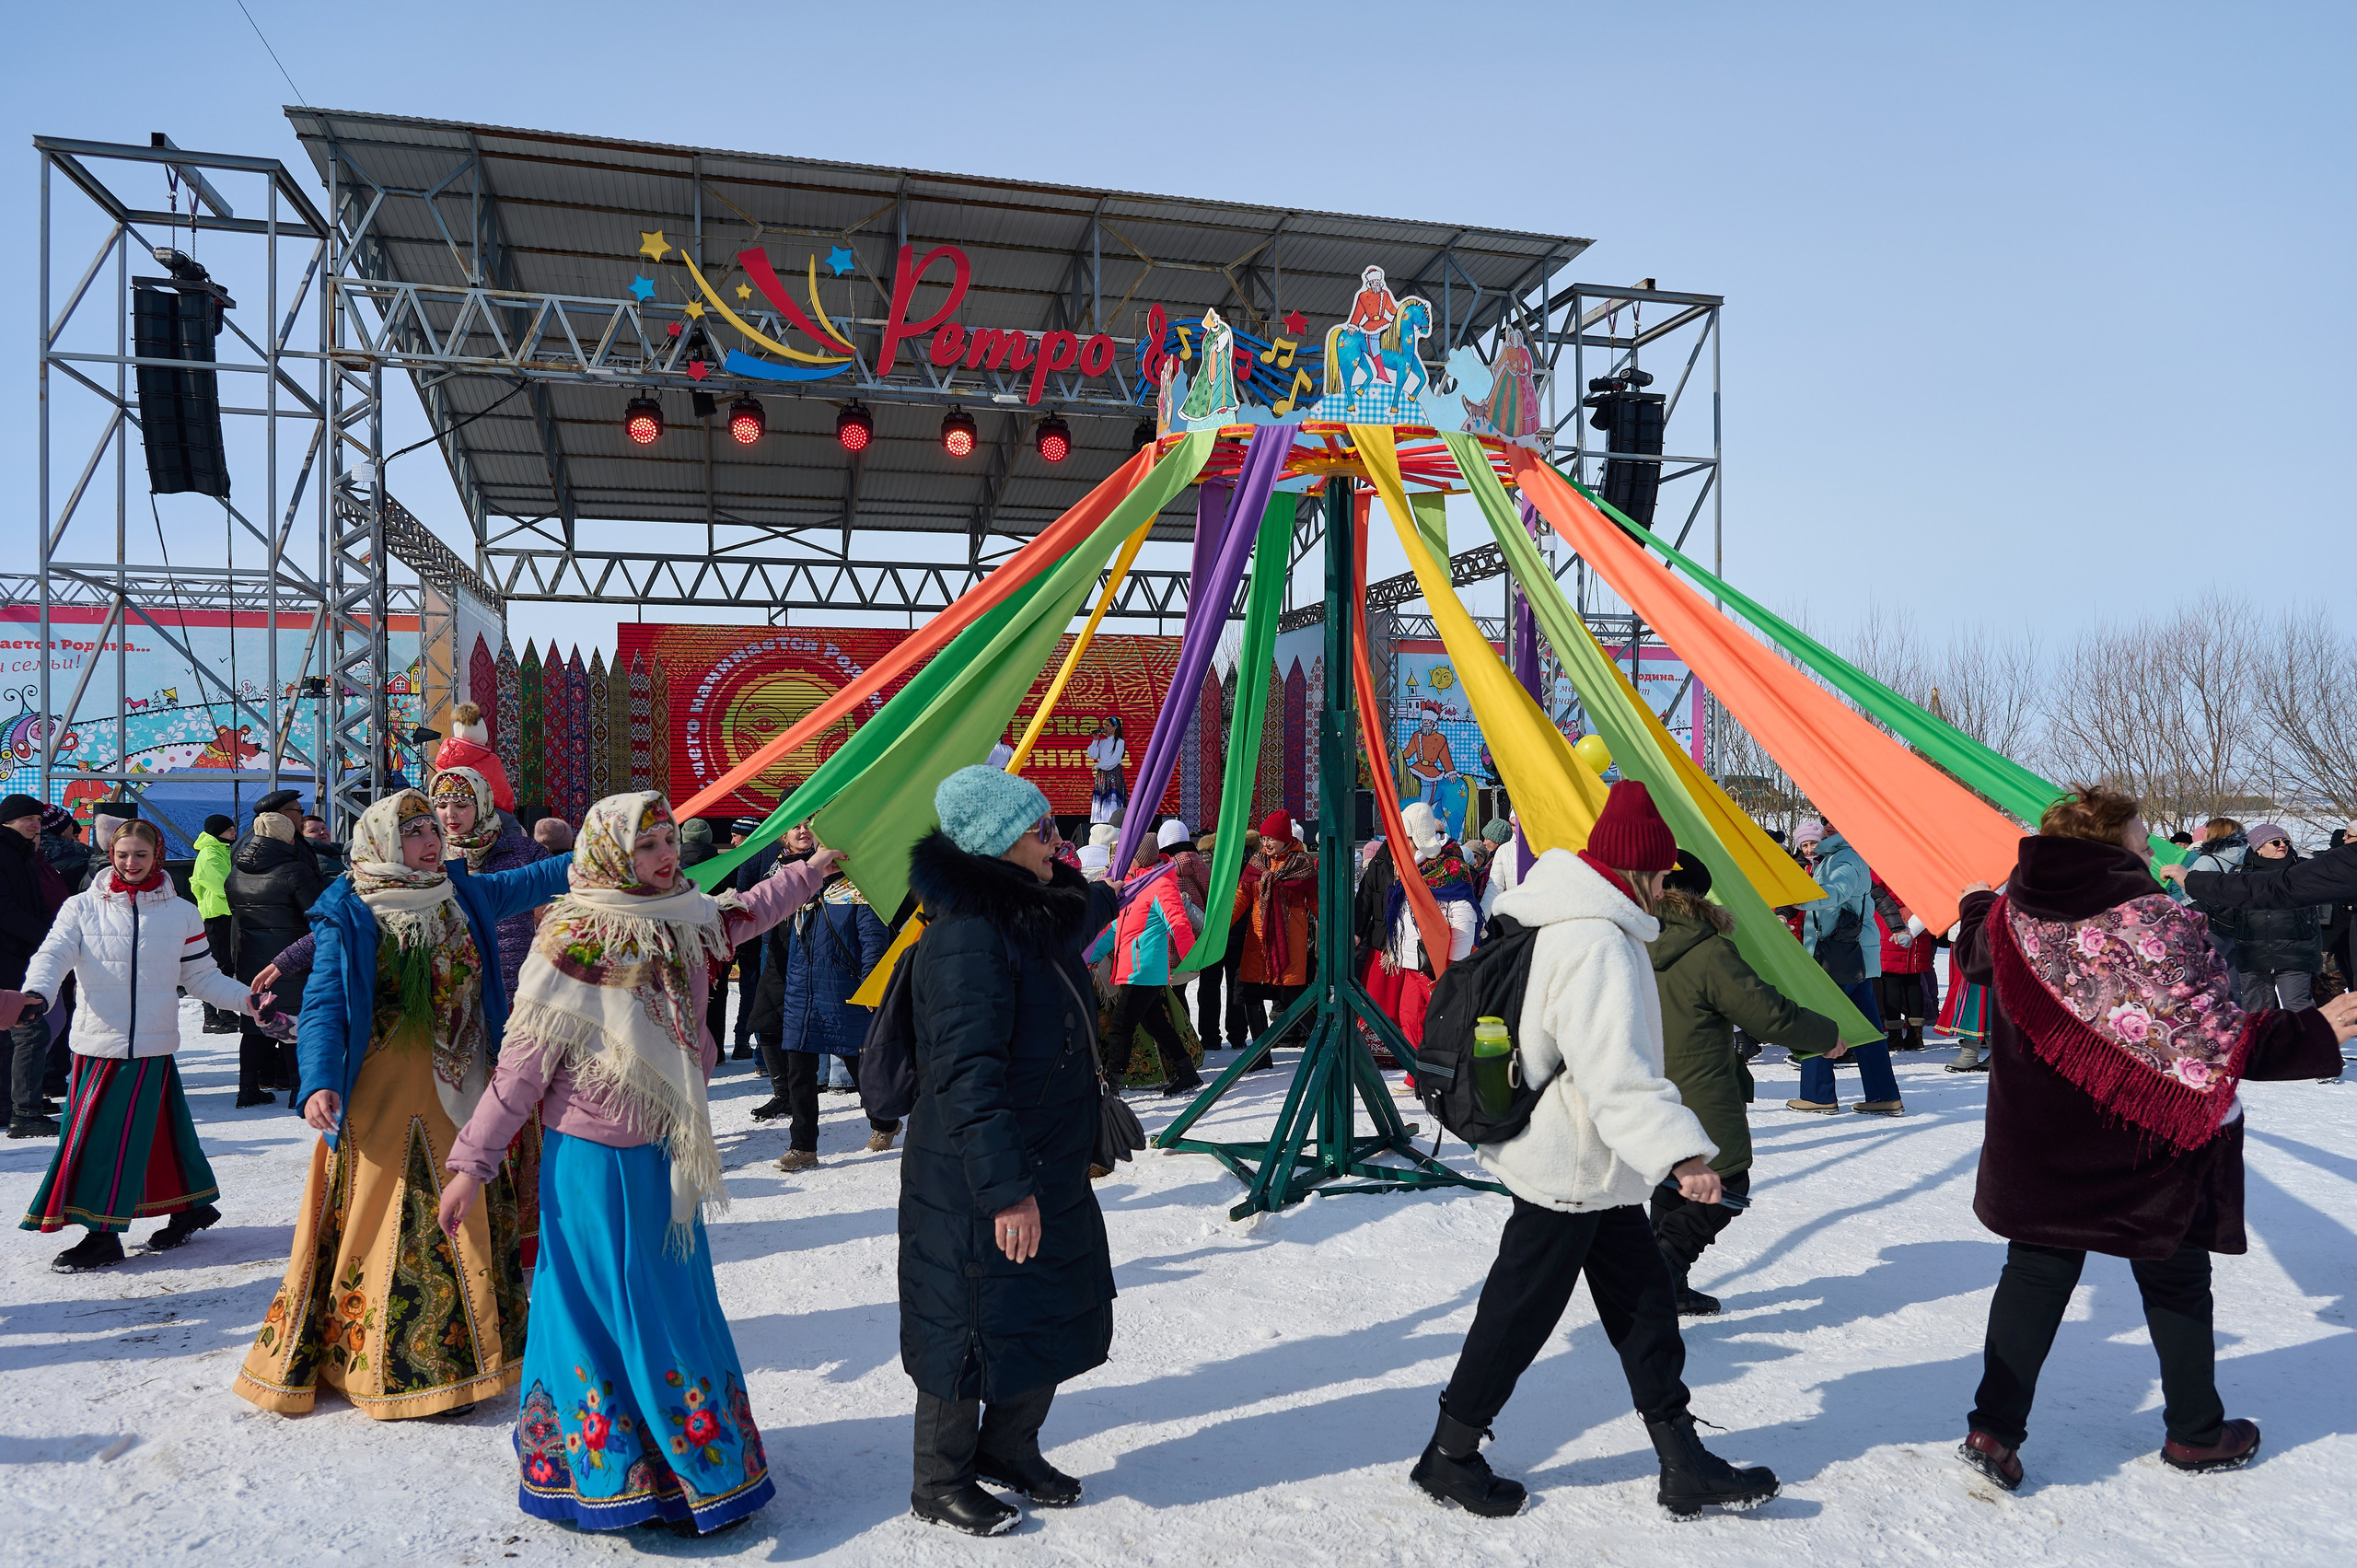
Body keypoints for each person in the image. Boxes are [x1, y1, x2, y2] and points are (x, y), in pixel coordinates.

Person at [438, 791, 839, 1536]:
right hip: (590, 1161)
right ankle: (608, 1468)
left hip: (664, 1154)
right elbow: (520, 1069)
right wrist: (472, 1163)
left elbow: (747, 910)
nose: (664, 857)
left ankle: (688, 1467)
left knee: (671, 1307)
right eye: (647, 844)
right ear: (611, 853)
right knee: (596, 1314)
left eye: (667, 841)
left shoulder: (685, 915)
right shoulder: (573, 941)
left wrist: (811, 871)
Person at [1950, 785, 2357, 1491]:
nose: (2150, 845)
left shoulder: (2014, 914)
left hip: (2041, 1144)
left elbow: (1976, 954)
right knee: (2174, 1277)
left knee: (2035, 1273)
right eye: (2141, 834)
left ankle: (1994, 1429)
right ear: (2113, 842)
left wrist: (1973, 905)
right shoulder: (2152, 921)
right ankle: (2196, 1432)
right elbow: (2208, 1037)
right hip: (2146, 1139)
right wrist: (2313, 1032)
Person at [1411, 782, 1780, 1520]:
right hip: (1571, 1163)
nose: (1664, 885)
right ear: (1642, 871)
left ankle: (1681, 1458)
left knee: (1644, 1304)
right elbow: (1616, 1074)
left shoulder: (1579, 918)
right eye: (1660, 873)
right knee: (1519, 1310)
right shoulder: (1598, 940)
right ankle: (1448, 1454)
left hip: (1595, 1166)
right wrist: (1684, 1158)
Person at [232, 790, 569, 1420]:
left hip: (465, 1081)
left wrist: (614, 846)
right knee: (392, 1217)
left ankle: (474, 1354)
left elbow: (544, 875)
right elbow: (328, 1005)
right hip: (383, 1093)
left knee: (466, 1203)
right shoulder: (354, 910)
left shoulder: (463, 893)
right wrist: (318, 1082)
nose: (431, 839)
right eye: (414, 831)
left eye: (431, 829)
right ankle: (393, 1363)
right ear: (384, 841)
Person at [898, 765, 1115, 1535]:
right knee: (965, 1323)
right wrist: (1004, 1192)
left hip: (1046, 1163)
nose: (1059, 842)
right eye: (1043, 832)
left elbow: (1088, 910)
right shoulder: (966, 939)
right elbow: (966, 1079)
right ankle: (940, 1477)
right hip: (974, 1177)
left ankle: (1010, 1445)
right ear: (997, 846)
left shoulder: (1028, 913)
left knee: (1046, 1308)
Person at [17, 819, 256, 1271]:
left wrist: (249, 1001)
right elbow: (53, 956)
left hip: (151, 1045)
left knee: (107, 1141)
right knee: (156, 1133)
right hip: (97, 1045)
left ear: (157, 856)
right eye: (122, 854)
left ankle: (102, 1234)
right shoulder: (81, 908)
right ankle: (191, 1204)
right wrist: (38, 993)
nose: (130, 863)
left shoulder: (181, 912)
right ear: (111, 854)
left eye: (140, 855)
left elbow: (201, 977)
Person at [1647, 850, 1842, 1315]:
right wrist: (1827, 1035)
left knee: (1671, 1179)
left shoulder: (1626, 938)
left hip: (1641, 1087)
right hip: (1698, 1090)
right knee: (1727, 1182)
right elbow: (1768, 1015)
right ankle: (1659, 1275)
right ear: (1697, 898)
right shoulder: (1707, 950)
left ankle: (1662, 1281)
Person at [747, 830, 895, 1165]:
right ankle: (803, 1147)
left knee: (861, 1068)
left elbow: (873, 941)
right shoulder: (801, 887)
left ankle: (884, 1122)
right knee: (799, 1072)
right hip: (801, 992)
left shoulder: (860, 891)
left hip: (844, 992)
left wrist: (870, 986)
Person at [1790, 823, 1903, 1116]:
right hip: (1850, 956)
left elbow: (1834, 894)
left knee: (1818, 1019)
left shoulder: (1846, 857)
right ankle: (1883, 1096)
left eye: (1832, 819)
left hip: (1839, 957)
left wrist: (1791, 893)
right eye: (1824, 819)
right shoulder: (1836, 855)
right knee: (1867, 1029)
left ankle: (1818, 1095)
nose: (1826, 825)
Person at [226, 789, 324, 1108]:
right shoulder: (293, 870)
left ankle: (247, 1089)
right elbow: (317, 912)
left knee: (254, 1024)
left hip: (249, 954)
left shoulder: (236, 872)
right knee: (292, 1023)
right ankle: (299, 1089)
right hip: (289, 957)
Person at [1086, 836, 1203, 1097]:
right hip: (1133, 968)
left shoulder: (1160, 884)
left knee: (1121, 1026)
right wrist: (1091, 955)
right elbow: (1114, 927)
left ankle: (1111, 1086)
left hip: (1145, 969)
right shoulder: (1132, 884)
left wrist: (1192, 958)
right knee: (1155, 1024)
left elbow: (1179, 923)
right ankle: (1187, 1073)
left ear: (1141, 855)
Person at [1364, 803, 1479, 1055]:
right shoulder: (1409, 869)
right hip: (1413, 961)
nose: (1400, 844)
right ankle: (1417, 1073)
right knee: (1409, 1018)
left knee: (1444, 1022)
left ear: (1419, 837)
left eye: (1406, 838)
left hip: (1436, 965)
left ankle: (1447, 1073)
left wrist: (1452, 966)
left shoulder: (1449, 868)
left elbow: (1464, 916)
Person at [3, 793, 72, 1138]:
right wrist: (43, 937)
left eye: (37, 819)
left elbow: (38, 902)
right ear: (7, 821)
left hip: (23, 954)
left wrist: (50, 934)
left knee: (14, 1033)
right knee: (30, 1029)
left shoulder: (25, 853)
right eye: (25, 818)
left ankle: (14, 1105)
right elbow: (5, 909)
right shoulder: (6, 853)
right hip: (10, 956)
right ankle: (24, 1111)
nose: (34, 823)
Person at [2205, 823, 2326, 1012]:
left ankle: (2311, 1041)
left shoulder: (2302, 872)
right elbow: (2225, 909)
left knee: (2298, 1007)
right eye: (2275, 842)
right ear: (2258, 849)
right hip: (2254, 955)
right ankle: (2265, 1042)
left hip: (2294, 954)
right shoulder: (2241, 875)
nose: (2282, 845)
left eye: (2285, 841)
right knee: (2259, 1012)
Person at [1237, 810, 1317, 1060]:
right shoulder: (1256, 864)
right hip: (1257, 940)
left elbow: (1316, 902)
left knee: (1293, 996)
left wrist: (1333, 931)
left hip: (1289, 942)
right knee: (1249, 992)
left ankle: (1319, 1046)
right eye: (1263, 839)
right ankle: (1261, 1054)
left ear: (1284, 838)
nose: (1266, 844)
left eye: (1271, 838)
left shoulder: (1302, 865)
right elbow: (1241, 897)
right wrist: (1218, 927)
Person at [726, 820, 779, 1063]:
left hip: (752, 935)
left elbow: (742, 900)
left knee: (751, 990)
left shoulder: (748, 857)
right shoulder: (780, 850)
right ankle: (767, 1052)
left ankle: (748, 1046)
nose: (732, 842)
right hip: (777, 931)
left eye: (736, 836)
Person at [1870, 874, 1937, 1051]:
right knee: (1913, 980)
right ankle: (1916, 1036)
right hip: (1918, 922)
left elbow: (1873, 890)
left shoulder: (1883, 865)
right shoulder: (1920, 864)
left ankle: (1895, 1036)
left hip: (1890, 923)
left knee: (1890, 981)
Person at [190, 812, 242, 1035]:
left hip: (226, 915)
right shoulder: (210, 854)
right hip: (215, 916)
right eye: (229, 829)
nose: (234, 832)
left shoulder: (223, 850)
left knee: (226, 966)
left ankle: (225, 1011)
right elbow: (225, 884)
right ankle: (210, 1016)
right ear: (218, 831)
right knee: (216, 966)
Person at [38, 803, 93, 894]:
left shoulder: (28, 855)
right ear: (62, 831)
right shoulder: (80, 861)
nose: (72, 828)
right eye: (70, 825)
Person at [1084, 716, 1127, 826]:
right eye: (1105, 725)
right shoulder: (1102, 742)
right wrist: (1095, 740)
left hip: (1113, 775)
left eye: (1107, 725)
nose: (1105, 728)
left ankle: (1113, 826)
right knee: (1101, 802)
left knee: (1112, 800)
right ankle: (1099, 827)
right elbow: (1093, 755)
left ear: (1115, 728)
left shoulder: (1120, 742)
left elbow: (1114, 760)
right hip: (1102, 776)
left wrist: (1098, 766)